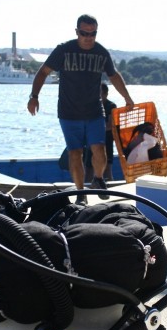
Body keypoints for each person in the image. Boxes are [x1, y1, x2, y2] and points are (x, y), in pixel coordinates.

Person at [27, 14, 134, 204]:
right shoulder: (64, 50)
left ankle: (98, 179)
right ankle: (80, 193)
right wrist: (34, 96)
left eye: (92, 34)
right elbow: (43, 72)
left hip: (94, 112)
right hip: (69, 113)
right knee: (75, 153)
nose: (88, 37)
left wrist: (127, 98)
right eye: (84, 33)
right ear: (77, 32)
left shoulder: (101, 53)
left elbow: (114, 75)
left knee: (99, 149)